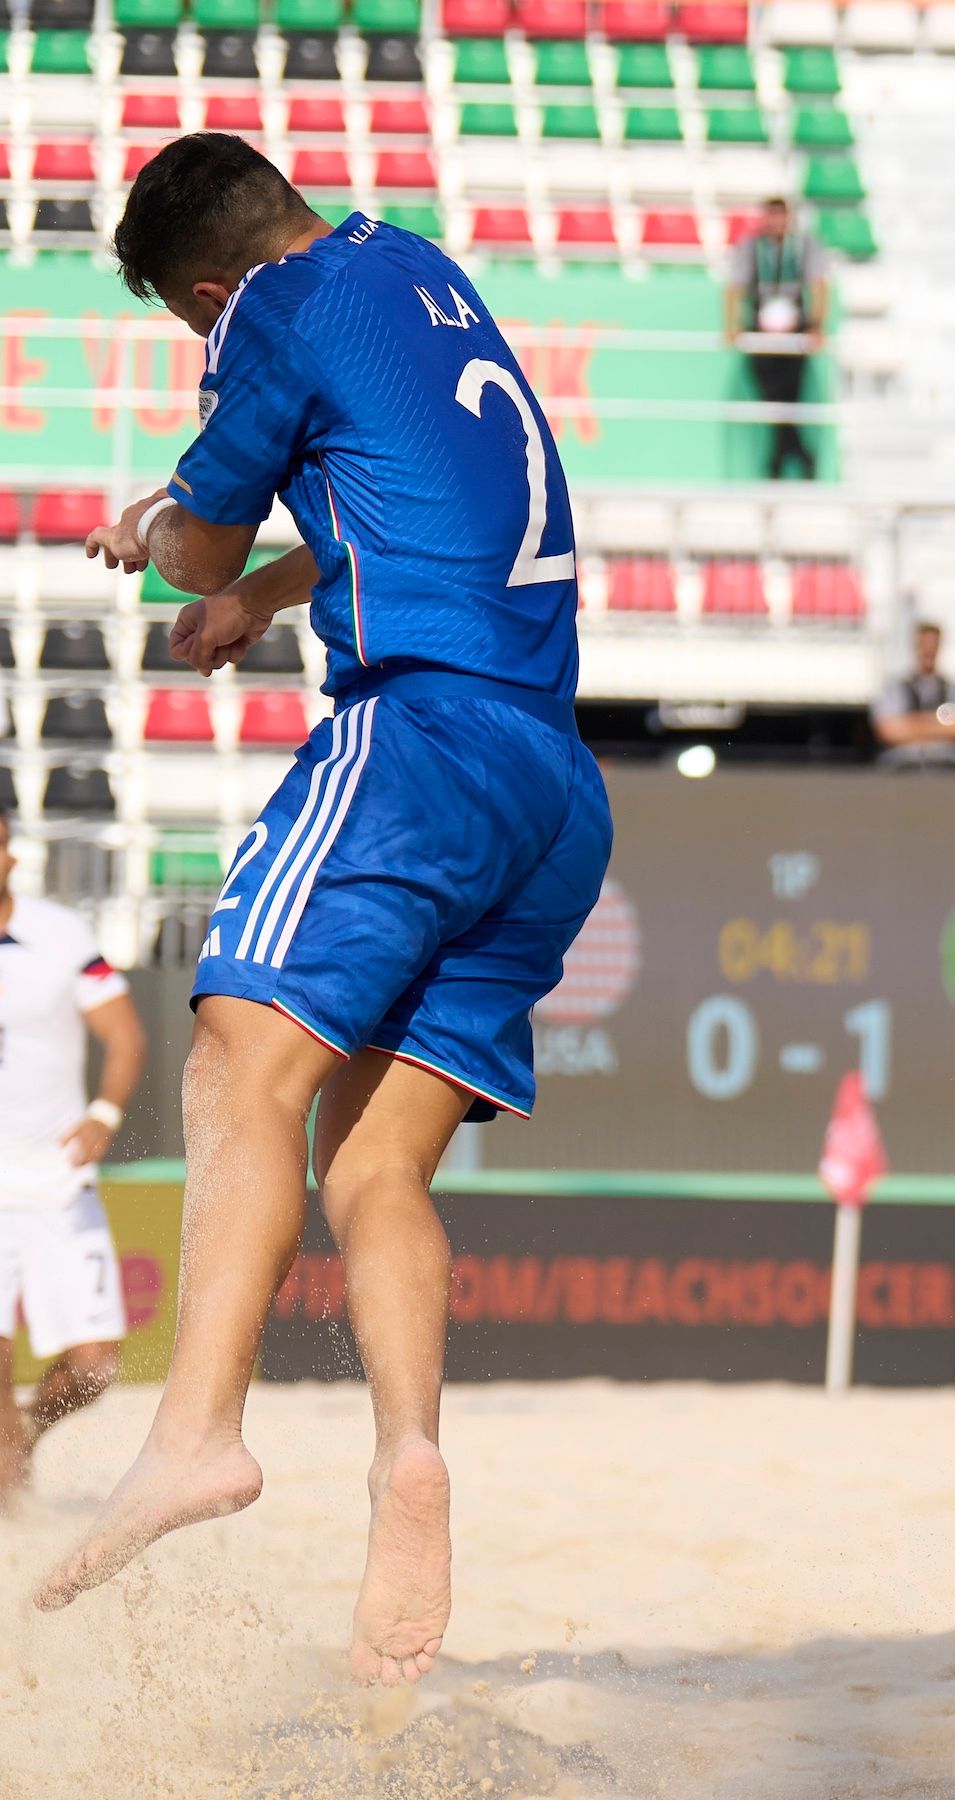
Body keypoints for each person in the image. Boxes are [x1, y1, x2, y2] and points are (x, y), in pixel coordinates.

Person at [42, 134, 612, 1688]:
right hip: (553, 783)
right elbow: (410, 500)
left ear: (205, 292)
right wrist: (261, 598)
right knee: (376, 1167)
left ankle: (196, 1432)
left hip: (424, 739)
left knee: (241, 1052)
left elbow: (197, 542)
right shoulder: (412, 271)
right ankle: (408, 1455)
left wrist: (164, 534)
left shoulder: (272, 314)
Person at [0, 814, 148, 1501]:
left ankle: (25, 1436)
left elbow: (125, 1037)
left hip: (57, 1180)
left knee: (94, 1367)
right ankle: (11, 1521)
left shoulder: (62, 934)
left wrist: (104, 1113)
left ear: (12, 855)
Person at [725, 197, 827, 482]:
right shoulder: (751, 247)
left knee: (790, 397)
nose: (777, 221)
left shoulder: (804, 246)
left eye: (781, 215)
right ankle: (796, 454)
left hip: (794, 331)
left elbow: (819, 285)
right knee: (771, 398)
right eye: (772, 215)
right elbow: (734, 287)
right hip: (761, 333)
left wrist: (817, 325)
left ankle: (780, 458)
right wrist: (732, 325)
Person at [874, 620, 955, 771]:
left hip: (945, 769)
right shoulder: (895, 689)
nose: (928, 650)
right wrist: (940, 725)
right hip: (904, 769)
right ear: (916, 646)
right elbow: (888, 729)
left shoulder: (954, 689)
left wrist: (911, 725)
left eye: (933, 644)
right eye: (924, 644)